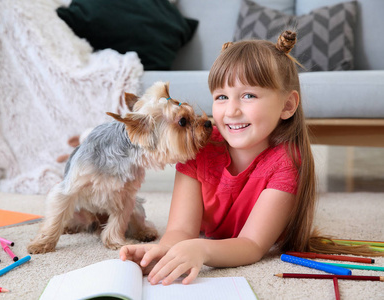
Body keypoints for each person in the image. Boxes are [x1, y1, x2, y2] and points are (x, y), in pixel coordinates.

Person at [119, 30, 380, 286]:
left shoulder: (286, 163)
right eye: (221, 97)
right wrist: (164, 252)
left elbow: (252, 245)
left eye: (248, 96)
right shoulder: (199, 145)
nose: (231, 110)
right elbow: (181, 230)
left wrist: (202, 250)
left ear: (288, 105)